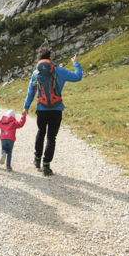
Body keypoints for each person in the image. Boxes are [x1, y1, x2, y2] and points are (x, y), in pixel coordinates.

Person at [22, 46, 83, 176]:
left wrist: (26, 107)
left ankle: (37, 159)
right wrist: (75, 63)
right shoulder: (60, 71)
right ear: (50, 57)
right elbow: (78, 77)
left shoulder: (35, 73)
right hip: (56, 109)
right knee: (51, 137)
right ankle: (46, 165)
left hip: (41, 109)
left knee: (40, 133)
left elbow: (31, 92)